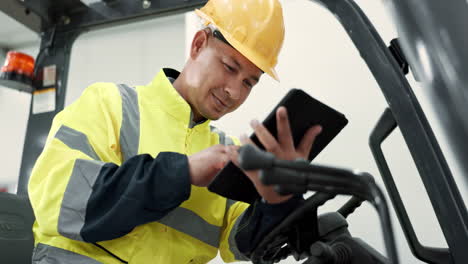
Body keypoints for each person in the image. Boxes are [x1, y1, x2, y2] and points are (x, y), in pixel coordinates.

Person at [28, 0, 322, 263]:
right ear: (198, 44)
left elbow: (240, 244)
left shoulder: (228, 153)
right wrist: (181, 173)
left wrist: (278, 200)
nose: (234, 91)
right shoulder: (110, 104)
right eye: (230, 67)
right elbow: (59, 200)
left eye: (248, 83)